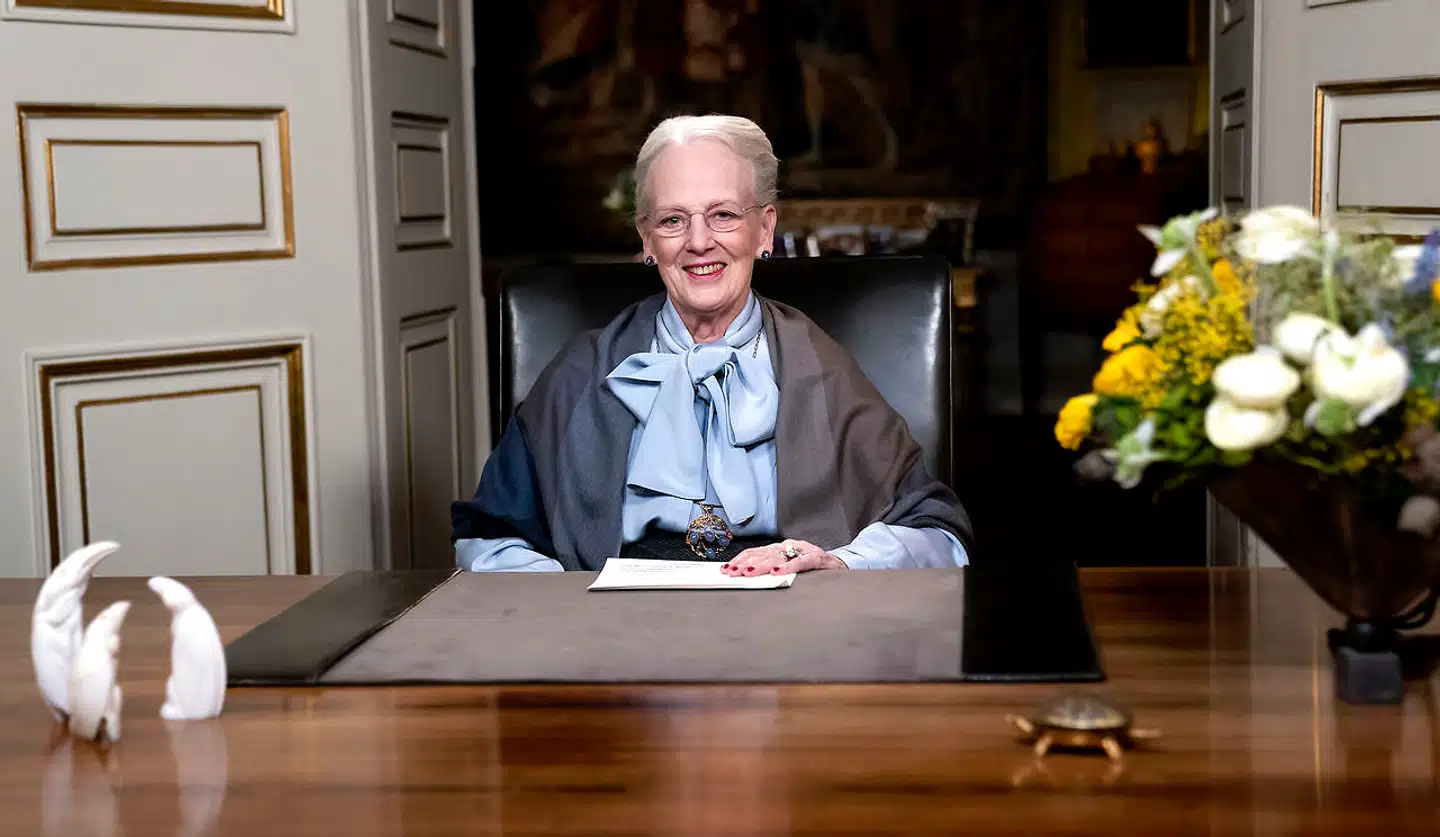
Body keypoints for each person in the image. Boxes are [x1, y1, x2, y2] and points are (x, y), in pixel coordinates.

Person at [451, 114, 973, 576]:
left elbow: (941, 538)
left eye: (723, 215)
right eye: (672, 220)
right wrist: (568, 607)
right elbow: (488, 539)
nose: (699, 242)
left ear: (764, 229)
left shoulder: (828, 371)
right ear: (647, 239)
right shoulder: (579, 373)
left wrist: (836, 562)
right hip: (618, 627)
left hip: (785, 621)